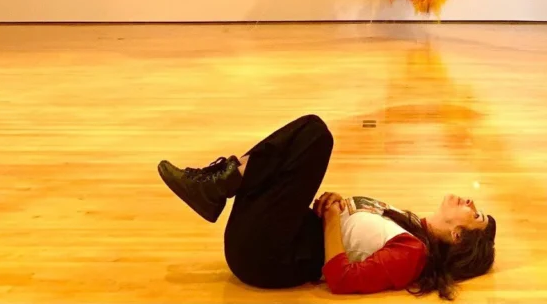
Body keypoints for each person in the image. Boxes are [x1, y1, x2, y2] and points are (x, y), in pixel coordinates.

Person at [158, 114, 496, 298]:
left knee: (316, 136)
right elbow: (354, 234)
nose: (469, 201)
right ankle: (217, 182)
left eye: (474, 213)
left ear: (457, 235)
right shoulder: (410, 223)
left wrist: (332, 218)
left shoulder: (414, 254)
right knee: (309, 131)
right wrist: (335, 205)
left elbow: (342, 279)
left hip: (269, 258)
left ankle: (217, 184)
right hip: (272, 240)